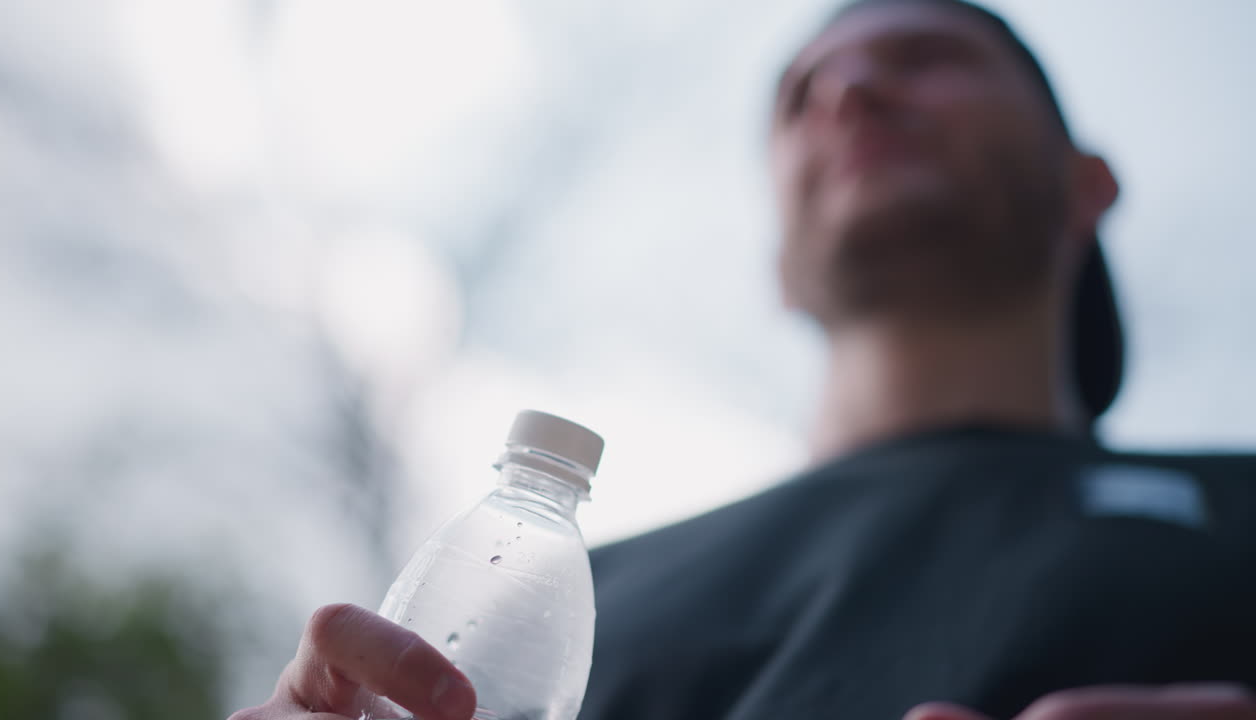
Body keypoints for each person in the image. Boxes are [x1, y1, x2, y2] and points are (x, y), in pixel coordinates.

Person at [229, 1, 1256, 718]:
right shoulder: (574, 598)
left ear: (1085, 185)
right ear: (778, 267)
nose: (847, 90)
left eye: (925, 58)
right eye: (800, 96)